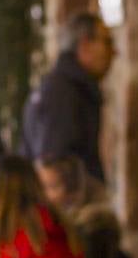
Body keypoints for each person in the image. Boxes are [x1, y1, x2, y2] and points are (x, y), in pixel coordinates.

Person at [23, 12, 114, 183]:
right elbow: (53, 165)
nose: (113, 52)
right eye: (107, 42)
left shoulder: (65, 87)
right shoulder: (62, 93)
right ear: (85, 46)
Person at [37, 154, 125, 258]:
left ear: (73, 192)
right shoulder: (96, 223)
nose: (42, 195)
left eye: (51, 187)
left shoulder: (85, 230)